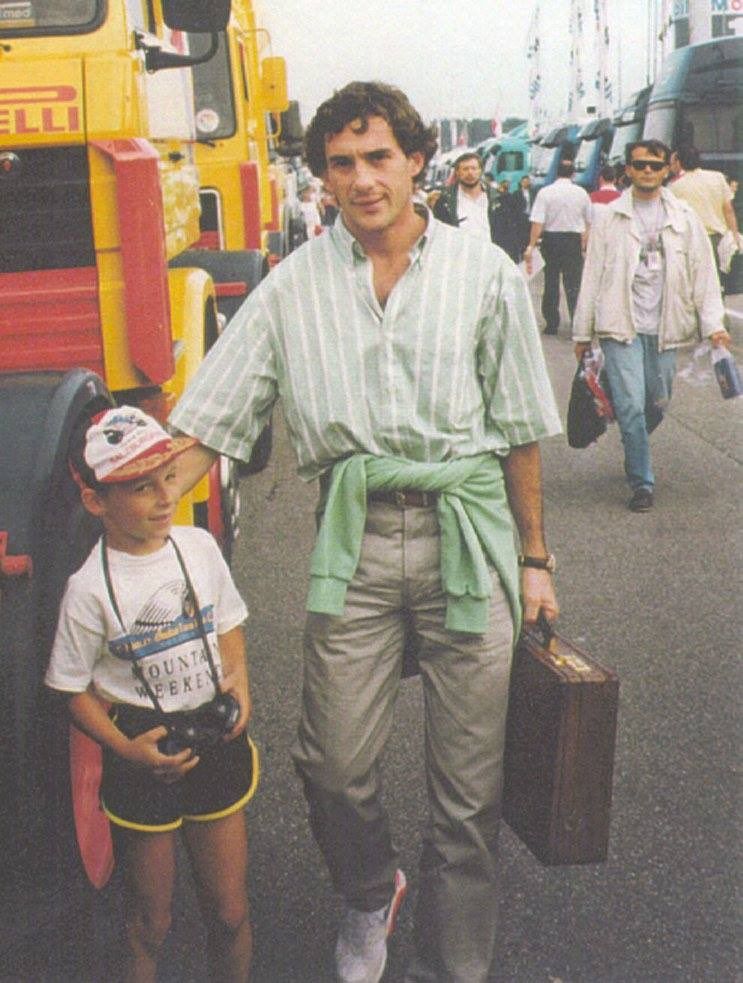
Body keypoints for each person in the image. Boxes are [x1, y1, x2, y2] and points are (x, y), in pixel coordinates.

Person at [169, 80, 562, 983]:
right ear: (323, 177)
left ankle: (454, 963)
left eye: (378, 156)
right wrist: (127, 517)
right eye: (341, 163)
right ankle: (365, 888)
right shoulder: (291, 287)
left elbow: (518, 428)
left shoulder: (483, 274)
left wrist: (534, 558)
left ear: (417, 159)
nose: (362, 179)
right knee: (332, 765)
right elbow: (207, 424)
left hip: (470, 537)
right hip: (353, 542)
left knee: (468, 796)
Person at [45, 407, 256, 982]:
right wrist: (122, 747)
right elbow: (69, 688)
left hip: (213, 739)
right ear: (97, 502)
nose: (165, 498)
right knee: (149, 921)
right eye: (141, 488)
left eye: (167, 478)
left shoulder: (199, 548)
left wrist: (239, 679)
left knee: (230, 912)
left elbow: (228, 620)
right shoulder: (88, 589)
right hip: (143, 753)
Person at [573, 140, 730, 512]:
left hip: (665, 325)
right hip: (619, 323)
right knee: (630, 405)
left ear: (666, 171)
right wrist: (582, 332)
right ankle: (641, 480)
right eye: (639, 164)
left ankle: (633, 434)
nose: (647, 171)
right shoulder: (610, 217)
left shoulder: (684, 216)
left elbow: (703, 274)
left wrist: (714, 324)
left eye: (654, 165)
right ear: (627, 169)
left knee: (658, 399)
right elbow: (592, 276)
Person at [524, 158, 591, 335]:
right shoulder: (582, 193)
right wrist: (584, 243)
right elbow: (588, 222)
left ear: (556, 172)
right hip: (573, 240)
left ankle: (552, 323)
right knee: (574, 283)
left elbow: (537, 222)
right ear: (573, 173)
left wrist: (531, 245)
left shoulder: (545, 193)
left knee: (551, 282)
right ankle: (577, 323)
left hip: (551, 240)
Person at [669, 145, 741, 292]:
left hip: (692, 241)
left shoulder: (674, 187)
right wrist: (735, 235)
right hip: (719, 239)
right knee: (717, 283)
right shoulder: (717, 177)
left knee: (697, 286)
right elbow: (728, 210)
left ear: (679, 162)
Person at [432, 149, 511, 249]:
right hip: (460, 257)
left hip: (491, 257)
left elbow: (507, 234)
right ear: (457, 172)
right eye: (465, 169)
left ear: (480, 171)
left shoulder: (498, 199)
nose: (470, 173)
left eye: (474, 168)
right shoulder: (445, 201)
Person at [508, 173, 537, 262]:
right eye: (523, 181)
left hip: (531, 217)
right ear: (521, 183)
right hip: (521, 218)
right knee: (522, 238)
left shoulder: (533, 192)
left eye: (527, 181)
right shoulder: (516, 193)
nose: (525, 183)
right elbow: (513, 207)